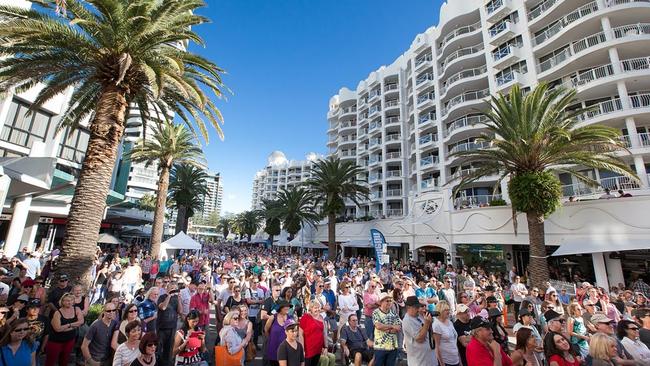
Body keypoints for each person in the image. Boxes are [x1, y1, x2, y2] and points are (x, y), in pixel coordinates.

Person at [45, 293, 84, 366]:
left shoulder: (77, 309)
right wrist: (72, 326)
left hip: (70, 340)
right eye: (66, 300)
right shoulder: (57, 313)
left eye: (71, 300)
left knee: (64, 361)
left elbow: (81, 321)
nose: (69, 302)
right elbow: (57, 329)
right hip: (55, 341)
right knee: (50, 362)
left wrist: (67, 326)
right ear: (62, 302)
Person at [401, 296, 434, 366]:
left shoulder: (419, 316)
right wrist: (427, 323)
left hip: (428, 359)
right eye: (416, 307)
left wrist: (429, 322)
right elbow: (419, 339)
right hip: (418, 361)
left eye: (418, 307)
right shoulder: (407, 320)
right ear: (408, 307)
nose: (418, 309)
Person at [83, 302, 119, 366]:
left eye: (114, 310)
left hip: (107, 360)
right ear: (104, 311)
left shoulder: (115, 324)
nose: (111, 312)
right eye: (108, 311)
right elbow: (84, 346)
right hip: (95, 359)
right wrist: (91, 361)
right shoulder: (95, 326)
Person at [372, 292, 401, 366]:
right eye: (387, 301)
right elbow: (378, 326)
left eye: (390, 301)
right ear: (381, 302)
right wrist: (392, 326)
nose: (389, 302)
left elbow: (398, 328)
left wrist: (385, 327)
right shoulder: (376, 312)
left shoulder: (394, 313)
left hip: (393, 346)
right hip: (380, 347)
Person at [156, 282, 180, 366]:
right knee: (159, 348)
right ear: (167, 288)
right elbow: (163, 307)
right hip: (162, 328)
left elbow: (180, 311)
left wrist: (179, 299)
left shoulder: (176, 298)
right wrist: (169, 296)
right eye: (172, 288)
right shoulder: (162, 297)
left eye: (175, 288)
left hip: (172, 327)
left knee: (169, 349)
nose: (173, 290)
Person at [299, 300, 327, 366]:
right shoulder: (305, 317)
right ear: (311, 309)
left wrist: (326, 347)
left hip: (318, 348)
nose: (317, 309)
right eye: (315, 308)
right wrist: (302, 349)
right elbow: (300, 334)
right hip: (308, 349)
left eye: (318, 307)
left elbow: (324, 333)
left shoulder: (321, 318)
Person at [265, 300, 293, 366]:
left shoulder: (290, 318)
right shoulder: (273, 317)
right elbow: (266, 330)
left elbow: (292, 333)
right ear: (280, 308)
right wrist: (271, 339)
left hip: (286, 349)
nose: (288, 308)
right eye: (286, 307)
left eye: (288, 306)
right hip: (274, 347)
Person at [433, 300, 461, 366]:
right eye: (446, 310)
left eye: (449, 309)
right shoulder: (436, 325)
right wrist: (442, 363)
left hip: (455, 359)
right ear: (440, 311)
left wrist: (460, 360)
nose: (448, 312)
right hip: (446, 361)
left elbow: (454, 342)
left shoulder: (450, 322)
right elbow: (437, 346)